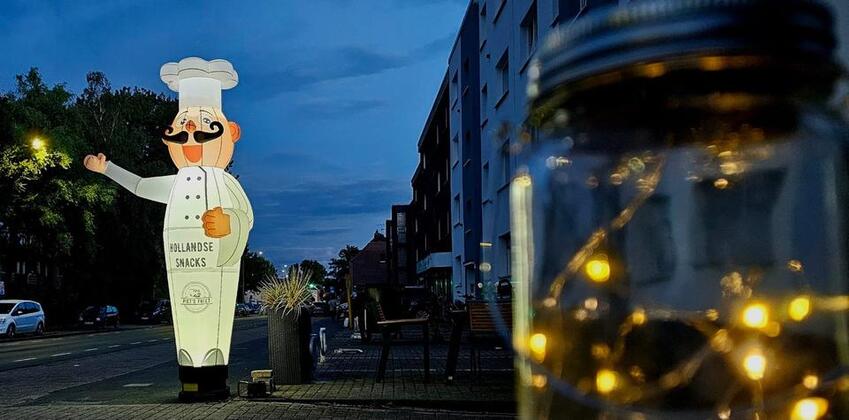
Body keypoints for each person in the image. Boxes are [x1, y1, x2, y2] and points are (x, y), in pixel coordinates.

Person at [83, 57, 252, 399]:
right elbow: (140, 185)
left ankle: (212, 377)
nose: (190, 136)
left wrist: (229, 222)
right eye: (182, 129)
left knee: (212, 323)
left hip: (215, 266)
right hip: (181, 264)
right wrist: (108, 169)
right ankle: (189, 373)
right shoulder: (175, 183)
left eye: (203, 128)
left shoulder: (224, 182)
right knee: (187, 327)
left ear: (231, 132)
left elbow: (245, 216)